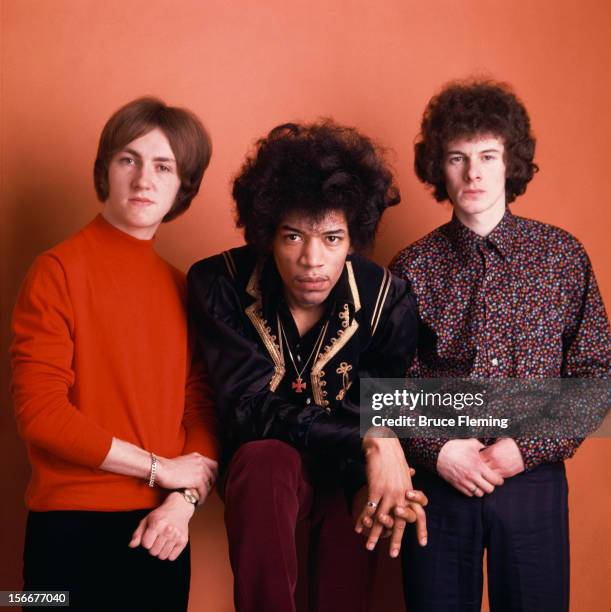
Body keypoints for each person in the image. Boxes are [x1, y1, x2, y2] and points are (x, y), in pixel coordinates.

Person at [187, 120, 428, 612]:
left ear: (354, 238)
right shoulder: (220, 283)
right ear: (266, 234)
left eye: (332, 238)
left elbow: (380, 402)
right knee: (265, 460)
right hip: (261, 473)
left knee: (351, 557)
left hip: (342, 474)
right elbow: (248, 408)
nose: (312, 260)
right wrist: (370, 438)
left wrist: (377, 479)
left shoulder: (388, 298)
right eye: (293, 236)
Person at [390, 79, 611, 612]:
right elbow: (383, 389)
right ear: (438, 169)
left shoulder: (561, 256)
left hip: (533, 482)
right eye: (457, 158)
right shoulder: (411, 267)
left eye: (488, 155)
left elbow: (597, 377)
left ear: (510, 162)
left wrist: (525, 448)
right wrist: (438, 450)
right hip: (437, 488)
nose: (473, 173)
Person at [10, 97, 218, 612]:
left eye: (163, 166)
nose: (145, 178)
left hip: (163, 531)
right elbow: (41, 414)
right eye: (129, 159)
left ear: (182, 186)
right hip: (67, 529)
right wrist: (157, 470)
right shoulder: (56, 271)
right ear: (106, 169)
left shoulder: (183, 288)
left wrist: (183, 502)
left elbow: (202, 410)